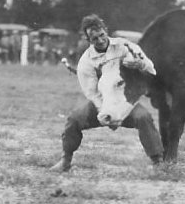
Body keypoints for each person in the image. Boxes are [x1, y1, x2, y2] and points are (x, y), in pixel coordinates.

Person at [50, 14, 163, 172]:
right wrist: (106, 113)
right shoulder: (86, 62)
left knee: (143, 117)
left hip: (124, 101)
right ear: (89, 41)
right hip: (103, 103)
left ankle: (158, 162)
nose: (100, 40)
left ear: (106, 31)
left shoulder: (124, 46)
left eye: (102, 35)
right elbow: (92, 93)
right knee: (74, 119)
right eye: (95, 38)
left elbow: (151, 69)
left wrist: (140, 63)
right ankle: (65, 160)